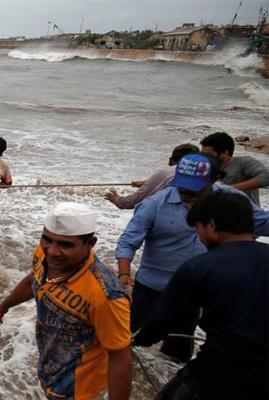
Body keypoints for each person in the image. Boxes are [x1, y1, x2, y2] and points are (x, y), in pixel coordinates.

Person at [115, 153, 269, 362]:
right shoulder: (154, 204)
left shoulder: (230, 201)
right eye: (182, 184)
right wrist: (124, 274)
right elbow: (128, 240)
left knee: (178, 353)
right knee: (124, 340)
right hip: (152, 288)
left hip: (197, 292)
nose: (185, 191)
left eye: (194, 187)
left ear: (214, 181)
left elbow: (261, 223)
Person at [0, 203, 132, 400]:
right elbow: (33, 281)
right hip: (50, 374)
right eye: (47, 239)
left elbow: (120, 357)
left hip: (81, 391)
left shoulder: (106, 296)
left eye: (65, 245)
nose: (53, 251)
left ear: (90, 243)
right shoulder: (43, 253)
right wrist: (3, 308)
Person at [134, 191, 268, 400]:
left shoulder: (198, 267)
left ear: (211, 225)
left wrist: (137, 340)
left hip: (219, 372)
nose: (199, 235)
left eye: (198, 227)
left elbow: (162, 319)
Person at [104, 144, 199, 209]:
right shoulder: (206, 175)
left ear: (170, 160)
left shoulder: (166, 173)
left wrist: (116, 199)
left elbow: (132, 202)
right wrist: (148, 183)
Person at [200, 131, 269, 205]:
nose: (204, 157)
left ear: (225, 152)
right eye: (202, 154)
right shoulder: (204, 167)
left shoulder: (244, 163)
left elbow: (266, 177)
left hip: (246, 214)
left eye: (209, 154)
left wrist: (229, 188)